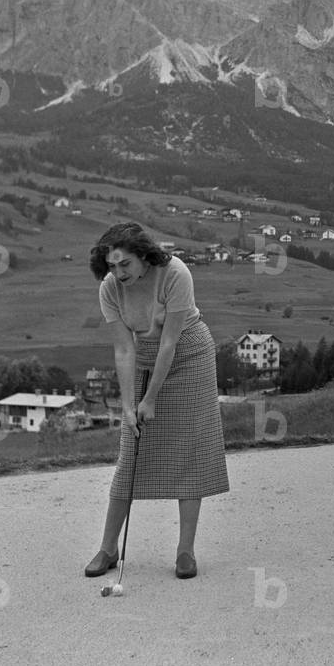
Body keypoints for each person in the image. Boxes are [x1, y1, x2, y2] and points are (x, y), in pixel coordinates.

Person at [84, 222, 229, 581]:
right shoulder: (110, 289)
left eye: (125, 265)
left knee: (189, 452)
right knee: (129, 456)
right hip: (143, 357)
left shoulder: (175, 273)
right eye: (112, 267)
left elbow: (169, 342)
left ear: (144, 255)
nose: (118, 273)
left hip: (189, 355)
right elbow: (123, 348)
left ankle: (185, 551)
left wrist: (151, 399)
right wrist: (130, 405)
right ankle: (108, 547)